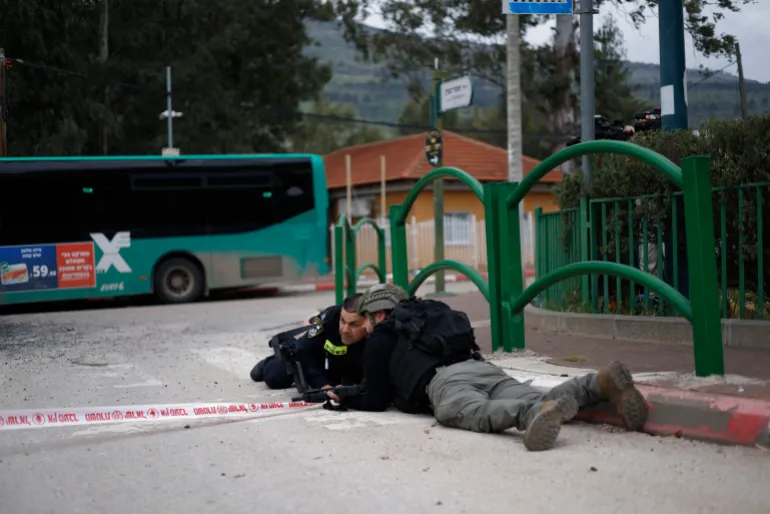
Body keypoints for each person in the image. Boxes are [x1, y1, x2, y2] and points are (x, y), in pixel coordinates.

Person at [332, 283, 649, 452]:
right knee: (536, 394)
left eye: (366, 318)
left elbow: (375, 400)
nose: (365, 326)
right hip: (481, 367)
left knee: (470, 410)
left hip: (444, 383)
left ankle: (528, 415)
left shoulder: (382, 337)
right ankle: (598, 384)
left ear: (380, 315)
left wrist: (344, 398)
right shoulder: (430, 313)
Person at [250, 293, 368, 390]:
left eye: (354, 324)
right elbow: (305, 349)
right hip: (315, 353)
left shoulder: (376, 331)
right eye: (343, 321)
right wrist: (322, 385)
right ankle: (268, 362)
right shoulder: (330, 318)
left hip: (342, 367)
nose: (345, 330)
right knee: (275, 377)